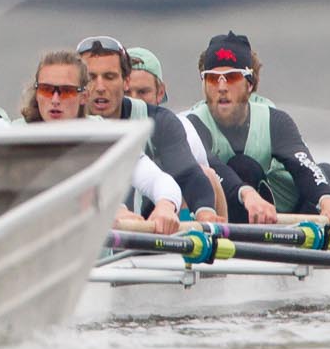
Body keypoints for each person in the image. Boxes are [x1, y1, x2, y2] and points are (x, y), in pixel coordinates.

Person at [183, 30, 330, 227]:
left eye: (232, 77)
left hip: (281, 210)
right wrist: (247, 194)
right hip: (237, 209)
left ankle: (313, 244)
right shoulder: (192, 124)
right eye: (213, 79)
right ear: (203, 84)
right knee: (242, 166)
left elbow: (303, 165)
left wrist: (328, 201)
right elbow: (212, 165)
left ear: (250, 84)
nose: (222, 87)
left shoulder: (275, 120)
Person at [19, 49, 182, 235]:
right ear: (37, 92)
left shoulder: (103, 137)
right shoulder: (13, 136)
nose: (55, 100)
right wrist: (110, 209)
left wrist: (165, 207)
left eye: (66, 92)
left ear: (84, 96)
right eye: (47, 90)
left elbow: (157, 180)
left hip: (99, 262)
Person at [76, 34, 227, 223]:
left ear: (126, 81)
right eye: (91, 78)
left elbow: (188, 175)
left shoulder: (160, 121)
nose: (99, 87)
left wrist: (204, 212)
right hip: (82, 224)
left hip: (149, 220)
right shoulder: (60, 122)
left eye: (109, 77)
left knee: (208, 177)